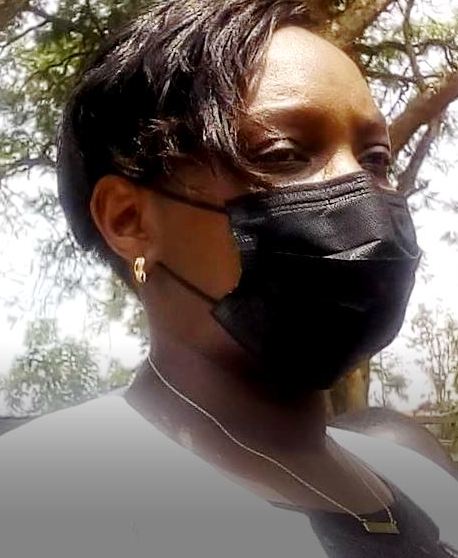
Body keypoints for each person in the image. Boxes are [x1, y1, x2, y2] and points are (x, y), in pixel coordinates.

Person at [1, 1, 457, 557]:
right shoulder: (43, 497)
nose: (362, 192)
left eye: (377, 159)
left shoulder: (423, 481)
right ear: (129, 220)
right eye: (284, 154)